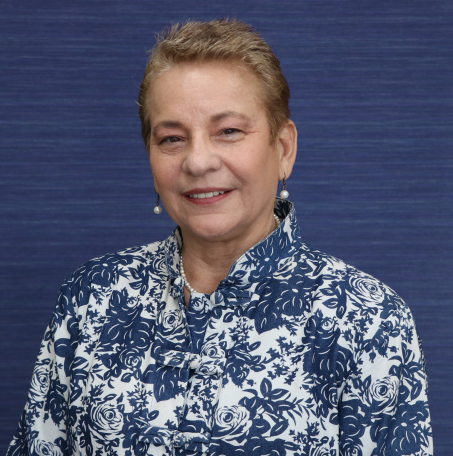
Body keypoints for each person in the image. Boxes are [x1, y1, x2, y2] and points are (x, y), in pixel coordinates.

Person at [8, 19, 432, 456]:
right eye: (172, 138)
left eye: (228, 131)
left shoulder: (368, 318)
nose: (198, 161)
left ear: (283, 149)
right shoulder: (92, 297)